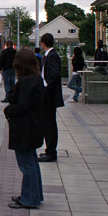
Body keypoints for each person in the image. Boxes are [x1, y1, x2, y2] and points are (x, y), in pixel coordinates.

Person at [4, 48, 46, 209]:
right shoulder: (36, 79)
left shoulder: (27, 81)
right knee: (32, 163)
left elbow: (22, 105)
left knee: (27, 165)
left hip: (25, 129)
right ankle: (34, 195)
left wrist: (7, 110)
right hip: (32, 127)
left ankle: (30, 199)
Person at [38, 33, 64, 162]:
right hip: (48, 95)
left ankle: (51, 152)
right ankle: (49, 150)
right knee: (48, 123)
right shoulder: (49, 56)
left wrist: (46, 88)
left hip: (49, 96)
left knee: (50, 124)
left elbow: (54, 75)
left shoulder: (52, 56)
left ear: (43, 43)